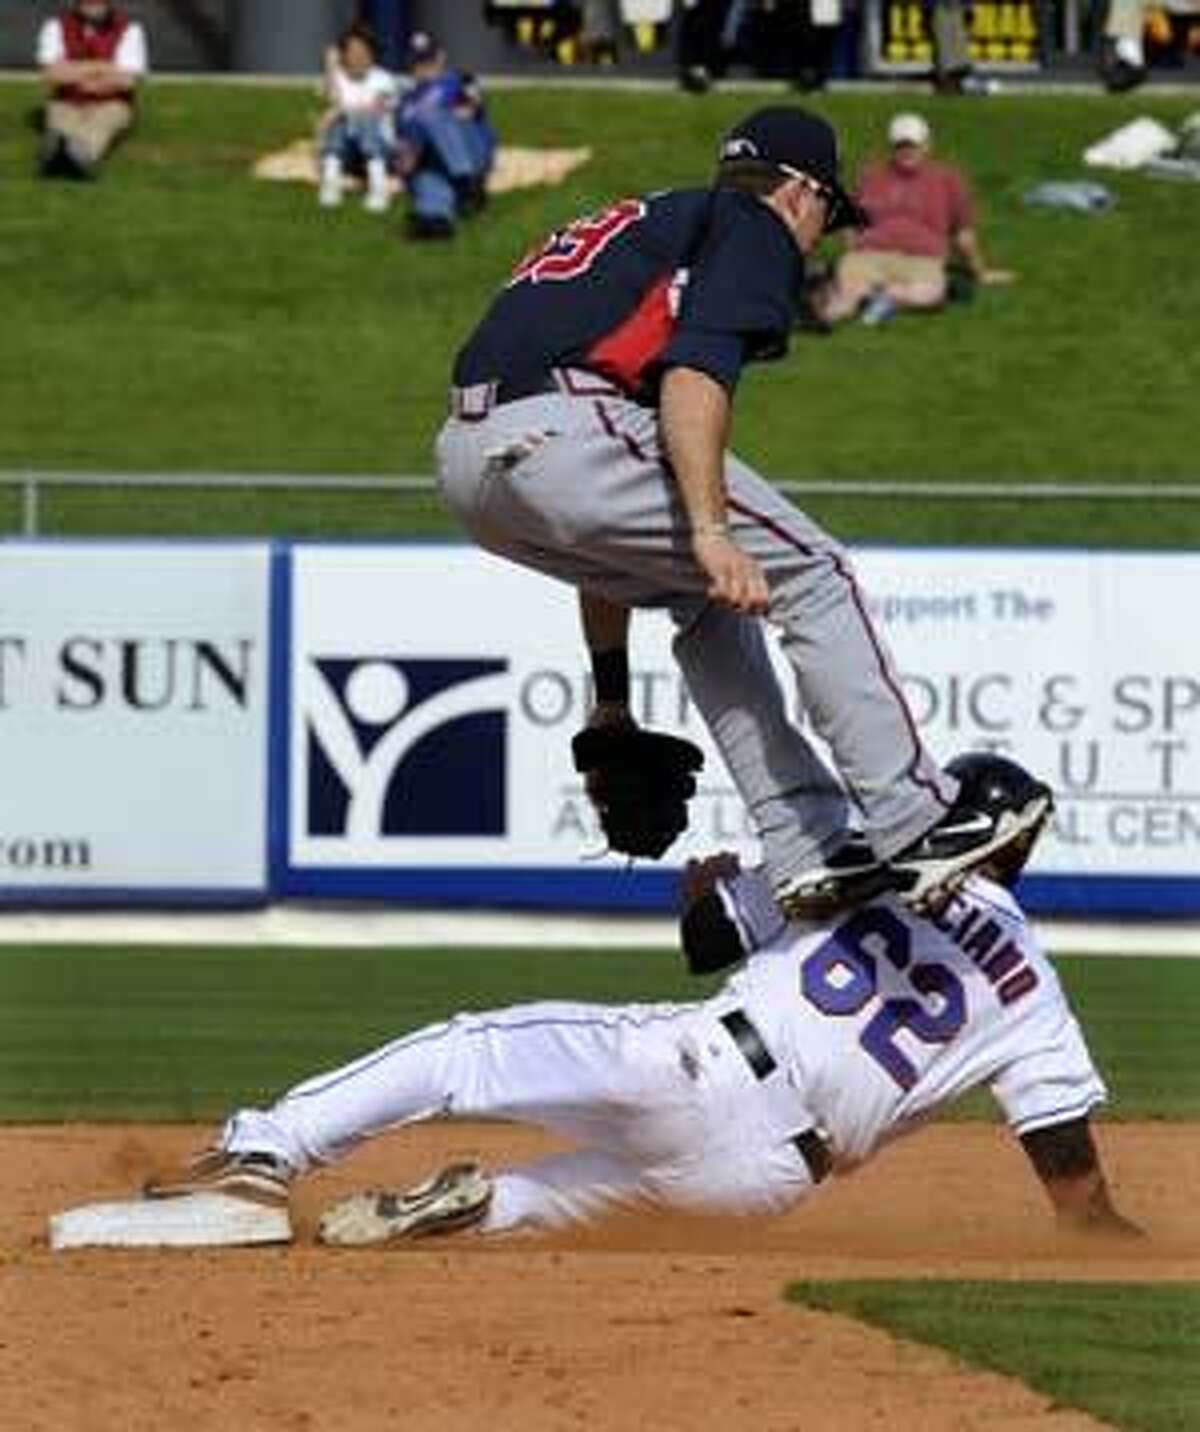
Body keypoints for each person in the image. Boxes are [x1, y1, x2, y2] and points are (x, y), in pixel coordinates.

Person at [119, 753, 1140, 1248]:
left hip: (699, 1069)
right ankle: (483, 1207)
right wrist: (1114, 1246)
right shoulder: (1034, 990)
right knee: (553, 1204)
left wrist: (705, 887)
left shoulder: (858, 862)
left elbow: (706, 943)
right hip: (766, 1182)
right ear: (1025, 844)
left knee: (467, 1051)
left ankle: (268, 1151)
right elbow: (1070, 1179)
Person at [433, 104, 1044, 923]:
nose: (823, 236)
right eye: (830, 213)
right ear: (798, 190)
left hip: (474, 466)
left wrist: (611, 696)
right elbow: (692, 379)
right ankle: (913, 817)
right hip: (566, 430)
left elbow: (597, 517)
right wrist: (714, 532)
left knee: (700, 597)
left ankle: (809, 843)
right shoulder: (750, 224)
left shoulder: (658, 227)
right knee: (815, 572)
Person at [818, 112, 1014, 327]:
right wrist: (854, 249)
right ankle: (823, 318)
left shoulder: (947, 180)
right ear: (892, 147)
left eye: (913, 145)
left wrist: (980, 271)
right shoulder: (871, 176)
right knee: (847, 294)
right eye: (901, 146)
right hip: (871, 254)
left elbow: (963, 234)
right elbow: (849, 221)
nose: (907, 152)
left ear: (927, 145)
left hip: (923, 259)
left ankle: (885, 297)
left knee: (930, 293)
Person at [393, 30, 496, 241]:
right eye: (417, 62)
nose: (423, 67)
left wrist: (432, 121)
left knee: (432, 116)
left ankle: (467, 182)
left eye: (427, 60)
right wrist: (408, 157)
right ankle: (435, 219)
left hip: (470, 150)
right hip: (434, 163)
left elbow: (470, 111)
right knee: (428, 181)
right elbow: (404, 145)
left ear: (440, 57)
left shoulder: (459, 80)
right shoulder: (405, 102)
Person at [35, 0, 149, 181]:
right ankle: (63, 154)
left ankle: (78, 157)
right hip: (67, 101)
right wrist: (105, 68)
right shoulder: (55, 26)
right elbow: (52, 74)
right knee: (64, 123)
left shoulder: (130, 29)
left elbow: (128, 80)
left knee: (101, 124)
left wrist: (78, 74)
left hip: (112, 102)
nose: (93, 5)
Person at [317, 24, 398, 214]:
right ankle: (331, 183)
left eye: (363, 52)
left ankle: (379, 188)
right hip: (350, 153)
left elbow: (375, 108)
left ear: (372, 54)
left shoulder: (383, 79)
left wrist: (338, 112)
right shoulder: (339, 78)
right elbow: (334, 99)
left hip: (379, 151)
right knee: (338, 125)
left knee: (365, 120)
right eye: (352, 52)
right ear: (343, 55)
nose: (358, 58)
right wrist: (330, 66)